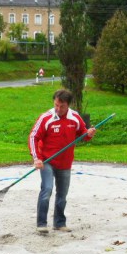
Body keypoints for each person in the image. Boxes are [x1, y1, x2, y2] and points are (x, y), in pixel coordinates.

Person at [28, 89, 96, 234]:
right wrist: (36, 158)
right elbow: (33, 137)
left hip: (65, 163)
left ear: (68, 105)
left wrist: (89, 134)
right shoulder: (46, 118)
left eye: (62, 106)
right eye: (56, 105)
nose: (58, 109)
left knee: (62, 195)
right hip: (47, 161)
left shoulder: (75, 117)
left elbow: (83, 134)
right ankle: (41, 224)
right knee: (47, 189)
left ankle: (59, 223)